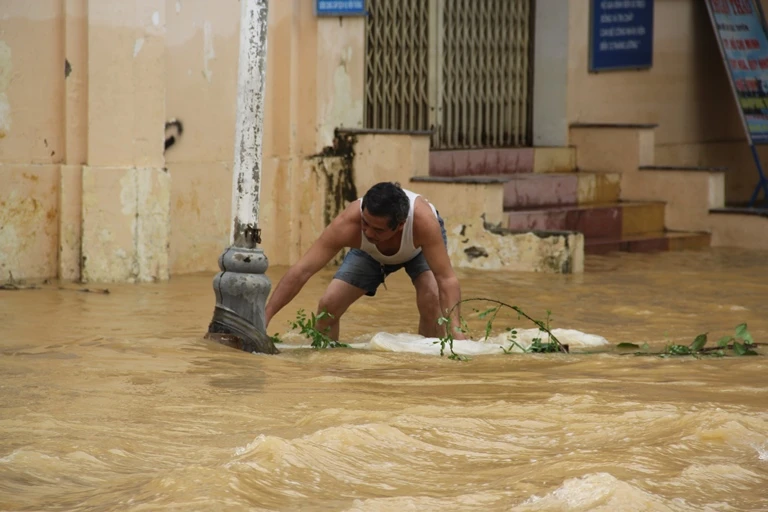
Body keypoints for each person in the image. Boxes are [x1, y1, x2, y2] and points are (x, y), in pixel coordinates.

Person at [264, 181, 465, 341]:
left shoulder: (424, 223)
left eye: (378, 229)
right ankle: (326, 363)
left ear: (401, 225)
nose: (368, 232)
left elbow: (446, 279)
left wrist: (456, 333)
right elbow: (302, 270)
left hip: (417, 250)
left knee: (431, 298)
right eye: (365, 223)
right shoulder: (348, 223)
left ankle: (426, 368)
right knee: (328, 306)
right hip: (369, 255)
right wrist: (265, 316)